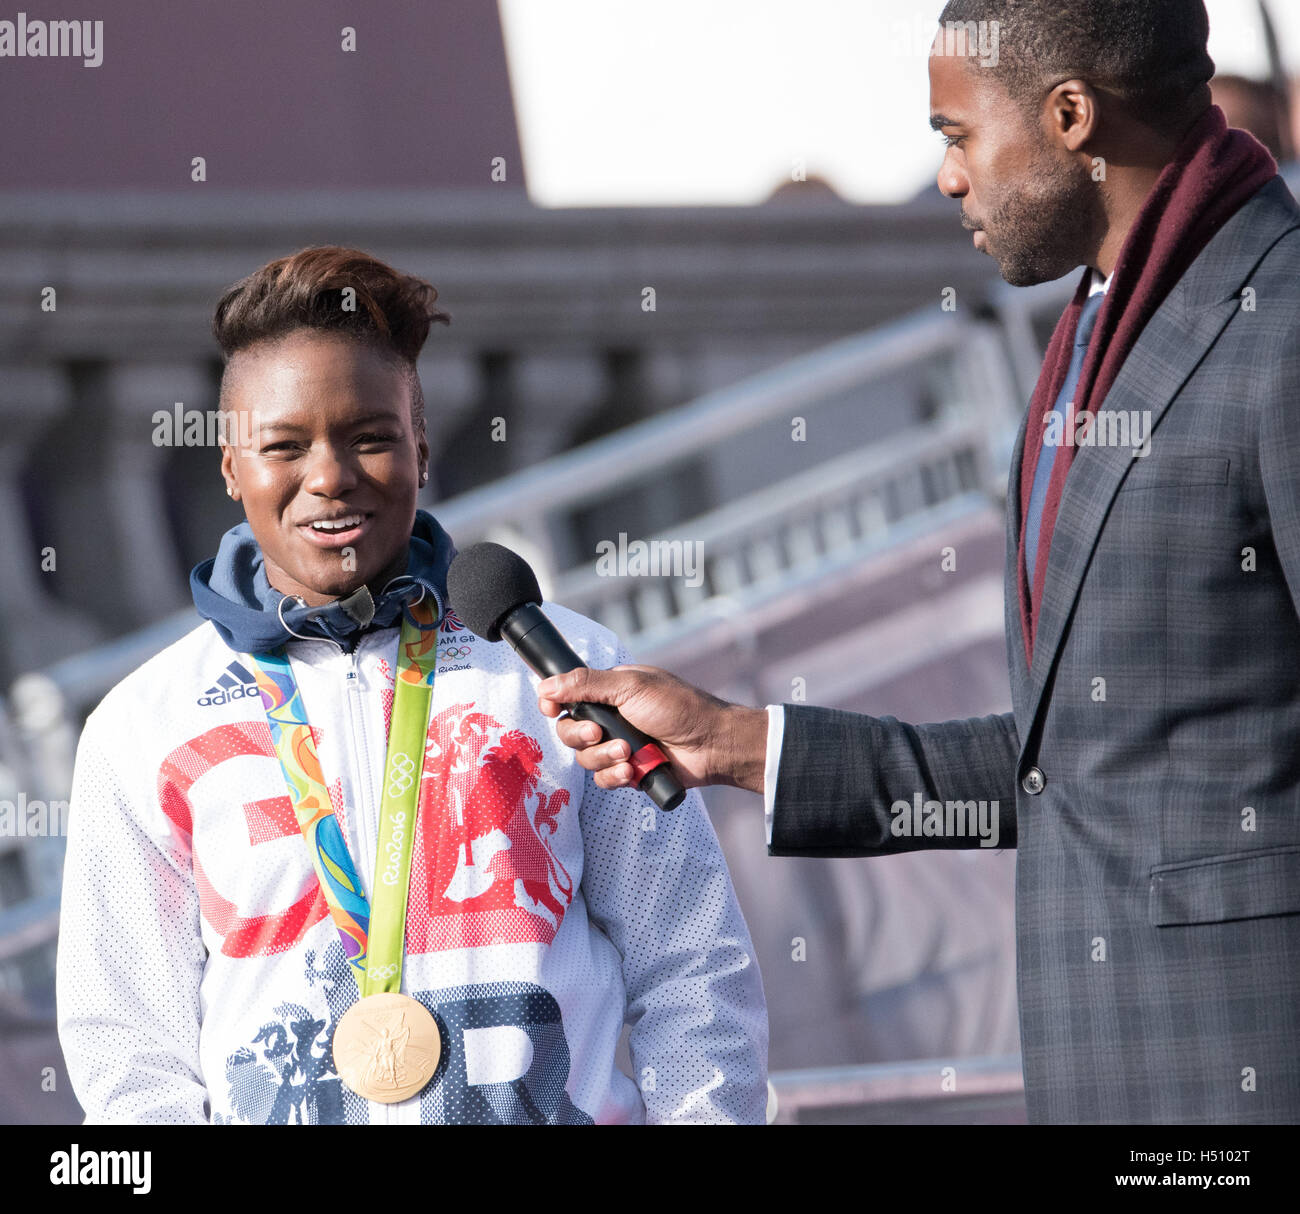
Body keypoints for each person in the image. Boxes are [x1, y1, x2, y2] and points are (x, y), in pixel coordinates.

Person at [538, 0, 1300, 1125]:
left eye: (955, 134)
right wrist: (737, 740)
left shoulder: (1277, 320)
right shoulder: (1096, 337)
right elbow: (1069, 767)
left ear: (1071, 117)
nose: (946, 177)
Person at [55, 246, 767, 1125]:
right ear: (232, 468)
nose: (330, 476)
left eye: (371, 438)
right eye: (285, 446)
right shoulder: (144, 724)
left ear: (422, 448)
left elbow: (692, 959)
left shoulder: (559, 666)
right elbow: (130, 1053)